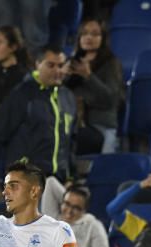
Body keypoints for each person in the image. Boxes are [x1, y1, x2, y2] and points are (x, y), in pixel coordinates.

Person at [0, 45, 76, 203]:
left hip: (57, 181)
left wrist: (70, 176)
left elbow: (71, 141)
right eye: (50, 65)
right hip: (25, 181)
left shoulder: (68, 97)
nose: (57, 71)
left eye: (61, 66)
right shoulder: (21, 95)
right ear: (37, 64)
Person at [64, 18, 124, 155]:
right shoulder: (71, 63)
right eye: (84, 33)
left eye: (95, 34)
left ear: (103, 38)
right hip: (72, 125)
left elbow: (110, 100)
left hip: (100, 126)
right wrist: (62, 78)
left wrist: (89, 76)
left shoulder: (111, 63)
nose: (89, 37)